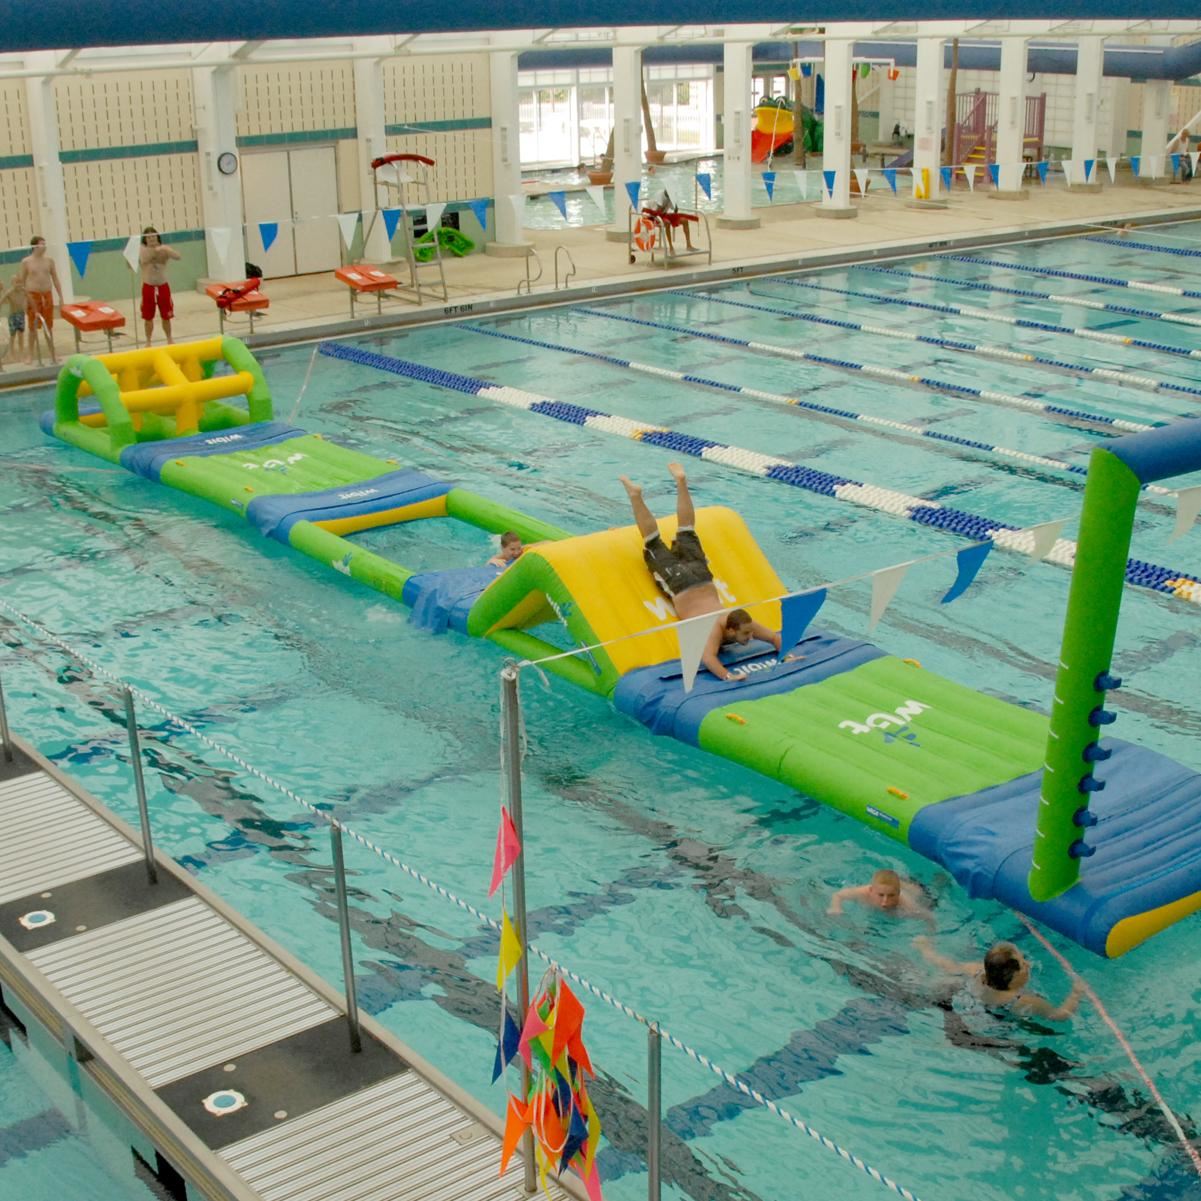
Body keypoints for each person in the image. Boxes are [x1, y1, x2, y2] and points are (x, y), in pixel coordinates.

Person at [619, 462, 782, 683]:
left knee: (687, 528)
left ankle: (680, 480)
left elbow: (773, 637)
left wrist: (787, 654)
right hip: (681, 583)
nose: (751, 637)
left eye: (749, 633)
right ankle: (637, 495)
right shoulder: (714, 629)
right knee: (653, 540)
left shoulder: (740, 621)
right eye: (746, 634)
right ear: (731, 631)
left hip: (701, 576)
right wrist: (729, 676)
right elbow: (707, 657)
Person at [914, 935, 1086, 1022]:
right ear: (1012, 976)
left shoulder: (977, 971)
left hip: (965, 1005)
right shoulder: (1025, 1001)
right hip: (996, 1025)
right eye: (1022, 963)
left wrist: (925, 949)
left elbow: (948, 965)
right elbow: (1058, 1016)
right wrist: (1076, 993)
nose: (1027, 964)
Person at [828, 868, 934, 925]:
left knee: (929, 899)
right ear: (871, 890)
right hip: (893, 884)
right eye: (881, 895)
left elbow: (929, 917)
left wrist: (929, 938)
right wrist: (835, 907)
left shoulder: (906, 903)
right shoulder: (863, 892)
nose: (885, 901)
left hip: (916, 890)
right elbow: (838, 895)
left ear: (898, 894)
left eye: (891, 896)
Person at [16, 236, 63, 360]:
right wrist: (24, 299)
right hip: (33, 295)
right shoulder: (26, 262)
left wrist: (61, 296)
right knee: (32, 327)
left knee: (49, 326)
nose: (45, 246)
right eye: (42, 244)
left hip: (47, 295)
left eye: (45, 244)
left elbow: (55, 279)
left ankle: (53, 352)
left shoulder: (49, 261)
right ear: (35, 246)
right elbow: (22, 282)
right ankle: (30, 354)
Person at [139, 227, 181, 345]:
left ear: (157, 237)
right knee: (148, 317)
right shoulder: (142, 250)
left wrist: (165, 249)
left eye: (153, 236)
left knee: (166, 316)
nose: (151, 239)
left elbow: (178, 256)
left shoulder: (164, 249)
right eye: (148, 237)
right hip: (149, 286)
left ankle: (169, 338)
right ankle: (148, 341)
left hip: (162, 286)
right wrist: (155, 250)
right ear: (145, 239)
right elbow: (144, 259)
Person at [643, 188, 697, 252]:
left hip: (663, 215)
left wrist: (675, 207)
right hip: (653, 216)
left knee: (685, 220)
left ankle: (689, 245)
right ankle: (671, 246)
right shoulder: (659, 195)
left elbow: (674, 210)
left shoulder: (671, 196)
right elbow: (657, 211)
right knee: (667, 222)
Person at [0, 272, 27, 365]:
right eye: (16, 282)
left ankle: (21, 352)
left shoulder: (24, 291)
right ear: (12, 283)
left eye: (20, 282)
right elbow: (2, 301)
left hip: (21, 315)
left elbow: (30, 299)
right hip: (12, 316)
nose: (19, 284)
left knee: (21, 335)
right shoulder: (9, 292)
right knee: (13, 335)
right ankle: (12, 353)